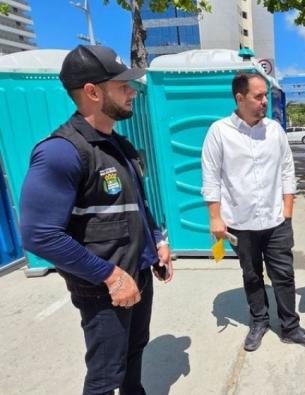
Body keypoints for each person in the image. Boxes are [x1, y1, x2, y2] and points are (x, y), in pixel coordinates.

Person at [20, 45, 173, 395]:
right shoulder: (61, 152)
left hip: (137, 276)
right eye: (122, 86)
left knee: (134, 354)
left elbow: (135, 204)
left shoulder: (118, 145)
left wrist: (157, 240)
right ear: (92, 92)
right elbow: (39, 235)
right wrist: (109, 276)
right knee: (106, 375)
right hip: (103, 287)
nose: (131, 91)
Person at [201, 72, 305, 352]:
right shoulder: (219, 132)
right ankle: (259, 321)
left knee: (284, 274)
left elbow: (287, 169)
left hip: (276, 220)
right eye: (258, 96)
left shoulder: (275, 130)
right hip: (240, 223)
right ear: (240, 98)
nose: (264, 101)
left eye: (265, 95)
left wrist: (288, 210)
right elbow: (210, 178)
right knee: (252, 274)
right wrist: (215, 217)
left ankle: (290, 327)